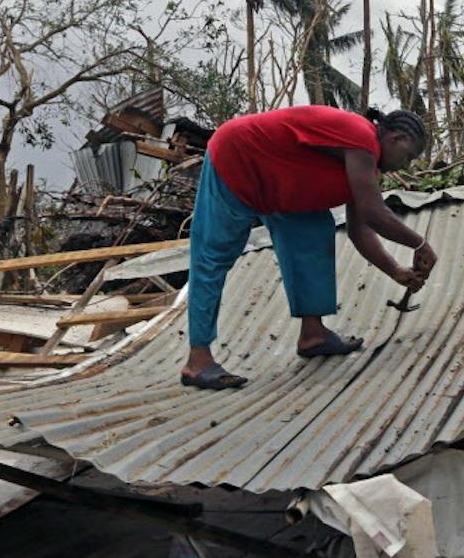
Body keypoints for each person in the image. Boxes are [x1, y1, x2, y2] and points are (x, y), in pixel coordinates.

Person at [179, 104, 436, 390]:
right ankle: (197, 362)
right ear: (396, 139)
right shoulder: (361, 137)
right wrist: (420, 243)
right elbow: (374, 212)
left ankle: (313, 335)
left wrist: (396, 272)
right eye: (409, 156)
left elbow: (360, 229)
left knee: (312, 233)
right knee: (213, 256)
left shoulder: (366, 166)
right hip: (237, 158)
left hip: (279, 183)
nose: (407, 165)